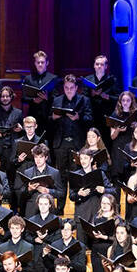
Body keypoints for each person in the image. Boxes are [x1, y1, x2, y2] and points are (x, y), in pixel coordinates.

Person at [50, 74, 93, 212]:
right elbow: (48, 120)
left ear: (76, 88)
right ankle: (60, 208)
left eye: (71, 88)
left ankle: (78, 209)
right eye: (66, 88)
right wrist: (54, 117)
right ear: (63, 88)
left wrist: (79, 117)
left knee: (76, 176)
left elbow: (89, 118)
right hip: (61, 143)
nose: (69, 90)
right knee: (61, 176)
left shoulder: (84, 100)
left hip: (77, 143)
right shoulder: (57, 101)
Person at [21, 50, 59, 138]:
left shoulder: (53, 78)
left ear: (47, 63)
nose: (40, 64)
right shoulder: (28, 79)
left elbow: (56, 97)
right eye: (38, 62)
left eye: (42, 62)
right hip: (33, 115)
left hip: (48, 115)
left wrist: (47, 97)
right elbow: (23, 98)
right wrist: (33, 100)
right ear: (35, 63)